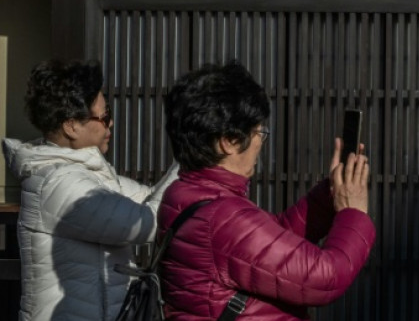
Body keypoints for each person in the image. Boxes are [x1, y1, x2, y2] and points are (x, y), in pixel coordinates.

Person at [158, 61, 374, 320]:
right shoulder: (223, 217)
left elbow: (271, 243)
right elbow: (325, 277)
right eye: (259, 131)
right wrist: (353, 212)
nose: (261, 140)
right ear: (229, 141)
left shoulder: (184, 194)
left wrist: (329, 195)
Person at [1, 59, 179, 321]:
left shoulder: (84, 173)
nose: (111, 123)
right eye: (104, 116)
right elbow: (148, 223)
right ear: (71, 125)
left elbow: (150, 199)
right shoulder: (59, 184)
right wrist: (192, 156)